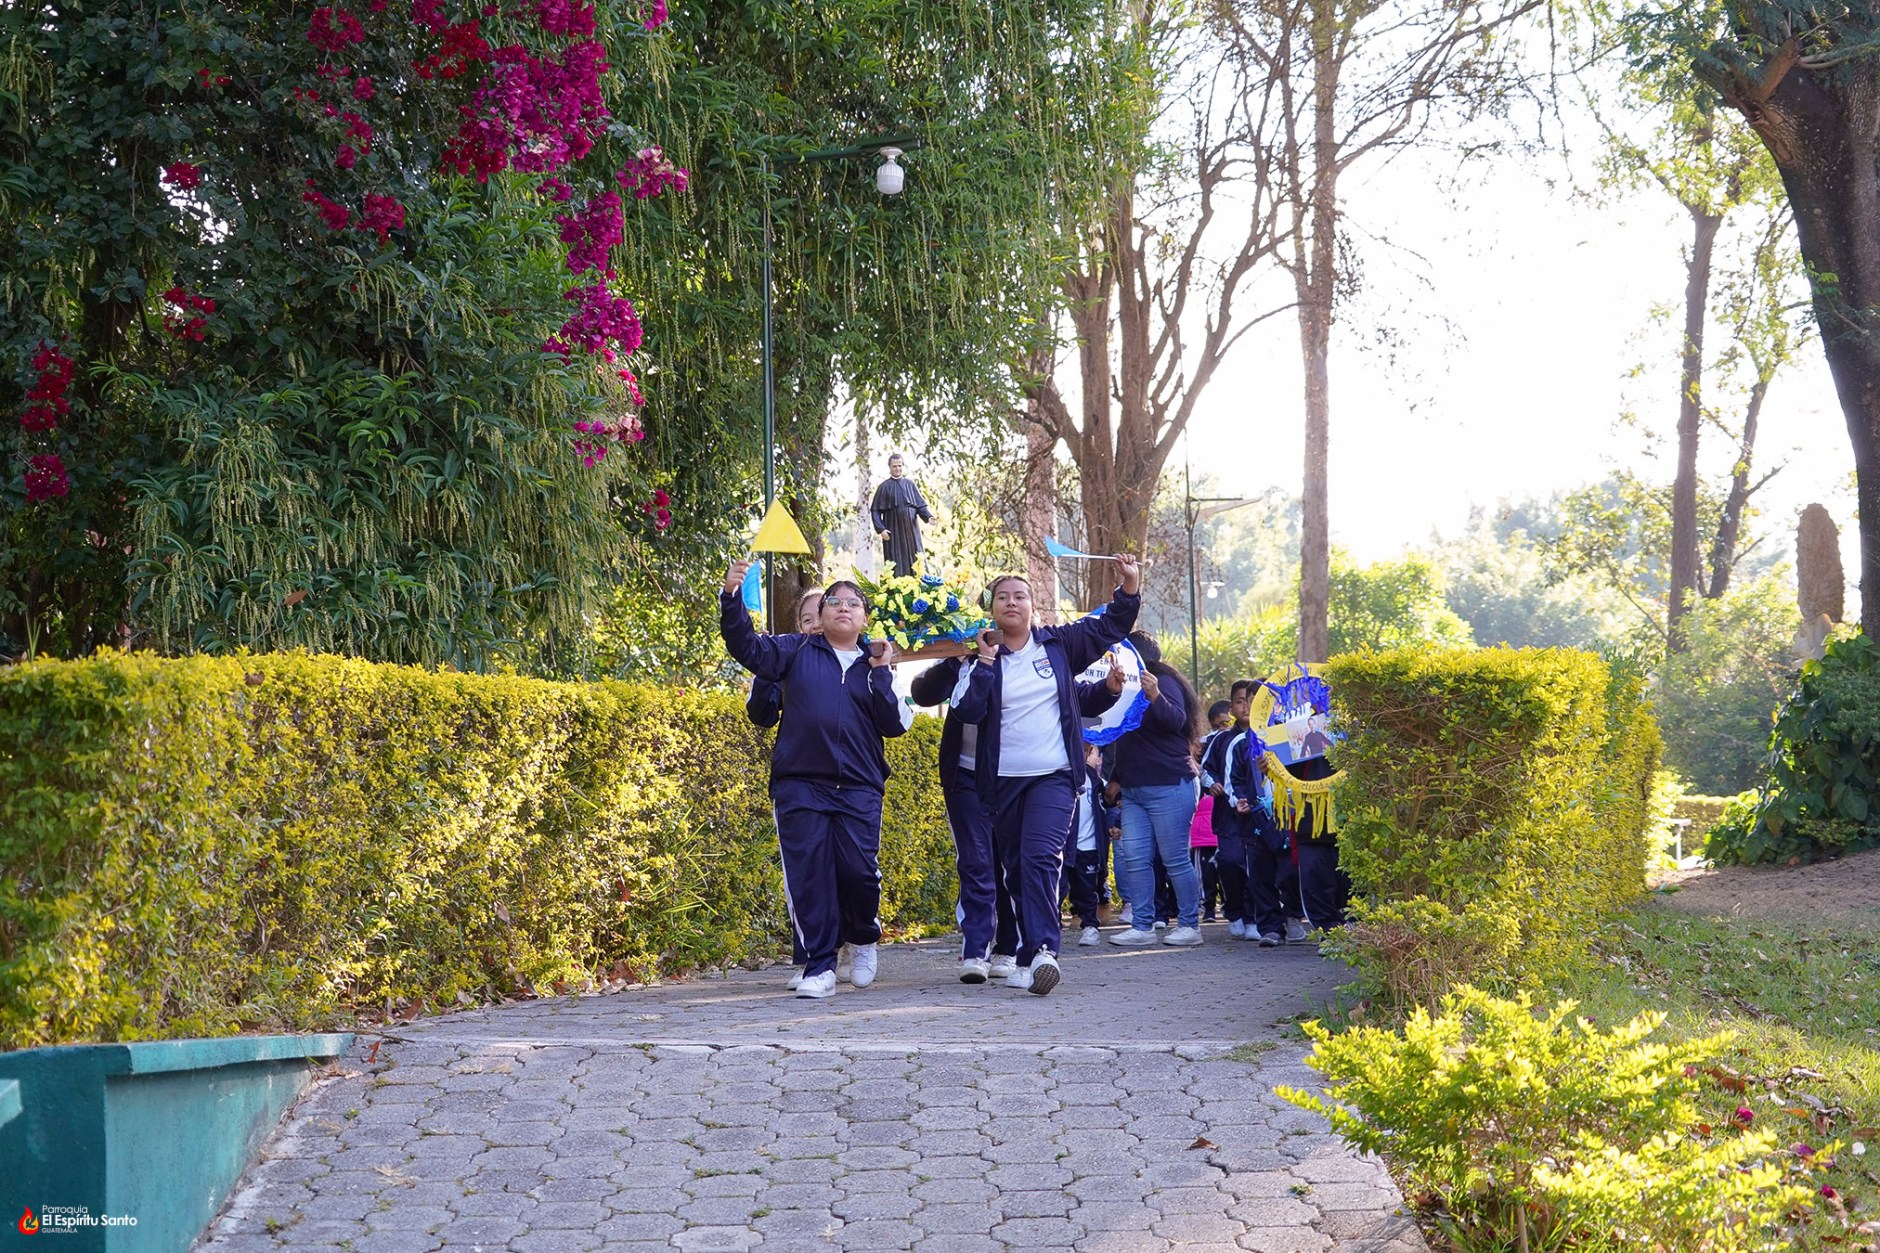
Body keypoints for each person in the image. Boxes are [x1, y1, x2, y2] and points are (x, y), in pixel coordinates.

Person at [719, 561, 911, 999]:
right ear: (821, 615)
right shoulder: (794, 650)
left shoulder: (876, 663)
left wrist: (882, 672)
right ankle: (820, 966)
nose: (843, 607)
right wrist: (732, 599)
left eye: (852, 603)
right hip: (800, 784)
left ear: (864, 618)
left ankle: (863, 935)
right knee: (810, 875)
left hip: (860, 786)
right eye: (834, 602)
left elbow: (896, 724)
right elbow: (746, 647)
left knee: (858, 872)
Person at [953, 555, 1142, 995]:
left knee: (1041, 858)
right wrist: (983, 662)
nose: (1012, 602)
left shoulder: (1058, 645)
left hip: (1054, 777)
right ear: (992, 608)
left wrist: (1128, 587)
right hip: (999, 785)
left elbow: (1108, 626)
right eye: (1003, 597)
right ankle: (1023, 956)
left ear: (1033, 606)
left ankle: (1043, 951)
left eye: (1020, 596)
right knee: (1015, 869)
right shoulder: (979, 654)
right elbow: (966, 710)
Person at [909, 656, 1021, 983]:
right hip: (965, 777)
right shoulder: (963, 658)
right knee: (975, 860)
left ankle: (1009, 947)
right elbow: (922, 693)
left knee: (1010, 863)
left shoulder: (1028, 656)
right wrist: (951, 663)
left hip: (1013, 775)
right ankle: (976, 947)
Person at [745, 588, 824, 990]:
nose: (814, 625)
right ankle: (812, 957)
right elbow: (761, 714)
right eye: (807, 619)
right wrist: (765, 671)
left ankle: (851, 945)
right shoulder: (788, 658)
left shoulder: (857, 658)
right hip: (797, 780)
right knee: (805, 870)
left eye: (820, 616)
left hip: (849, 786)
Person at [1107, 630, 1206, 948]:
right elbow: (1124, 738)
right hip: (1134, 789)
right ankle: (1143, 925)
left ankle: (1190, 926)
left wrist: (1155, 697)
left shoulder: (1163, 682)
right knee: (1134, 857)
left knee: (1175, 857)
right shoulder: (1123, 687)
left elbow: (1176, 721)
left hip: (1170, 784)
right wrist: (1116, 778)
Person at [1062, 742, 1117, 947]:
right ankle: (1047, 929)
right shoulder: (1059, 775)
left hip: (1088, 845)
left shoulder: (1096, 781)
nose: (1084, 753)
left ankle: (1090, 926)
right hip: (1062, 845)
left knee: (1086, 889)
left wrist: (1113, 824)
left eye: (1088, 750)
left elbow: (1109, 805)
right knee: (1055, 888)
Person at [869, 453, 934, 578]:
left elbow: (920, 506)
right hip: (893, 532)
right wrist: (881, 529)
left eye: (899, 466)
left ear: (903, 466)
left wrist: (928, 517)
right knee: (896, 561)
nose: (897, 469)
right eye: (894, 466)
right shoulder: (884, 487)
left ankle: (922, 587)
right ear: (889, 467)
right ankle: (897, 590)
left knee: (917, 559)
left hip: (911, 531)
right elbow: (875, 510)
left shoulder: (910, 484)